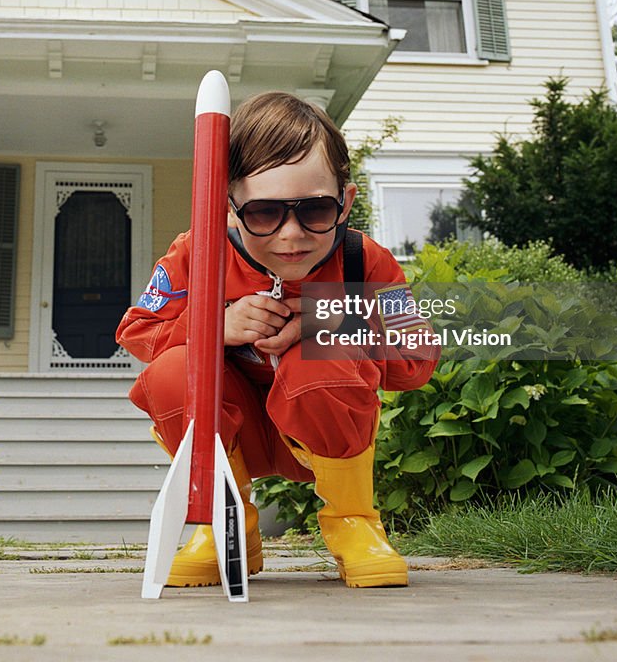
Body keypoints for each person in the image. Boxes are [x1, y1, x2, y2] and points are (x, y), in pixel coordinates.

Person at [116, 91, 439, 588]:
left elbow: (416, 359)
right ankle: (224, 525)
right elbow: (137, 330)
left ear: (345, 202)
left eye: (314, 210)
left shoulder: (365, 263)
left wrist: (330, 321)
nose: (291, 235)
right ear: (227, 208)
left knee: (322, 356)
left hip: (323, 437)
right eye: (264, 213)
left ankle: (353, 523)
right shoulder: (196, 254)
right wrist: (212, 327)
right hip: (230, 432)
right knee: (171, 372)